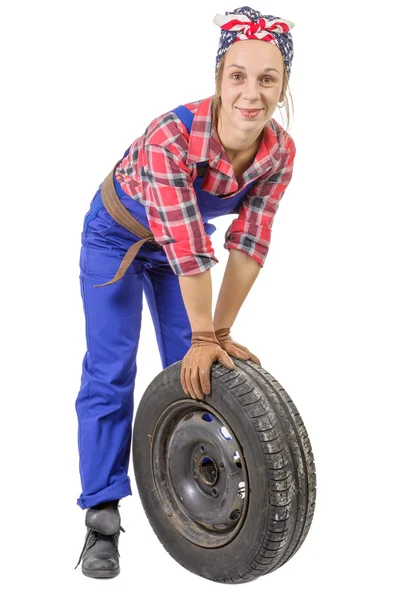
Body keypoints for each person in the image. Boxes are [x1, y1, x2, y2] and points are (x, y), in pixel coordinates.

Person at [74, 5, 296, 578]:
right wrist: (206, 330)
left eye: (267, 79)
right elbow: (189, 244)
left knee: (195, 372)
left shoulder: (279, 153)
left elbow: (249, 243)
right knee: (111, 370)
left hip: (180, 248)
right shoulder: (172, 135)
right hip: (117, 237)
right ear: (219, 80)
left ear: (283, 85)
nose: (252, 93)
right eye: (238, 76)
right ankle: (101, 518)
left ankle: (191, 503)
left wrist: (216, 334)